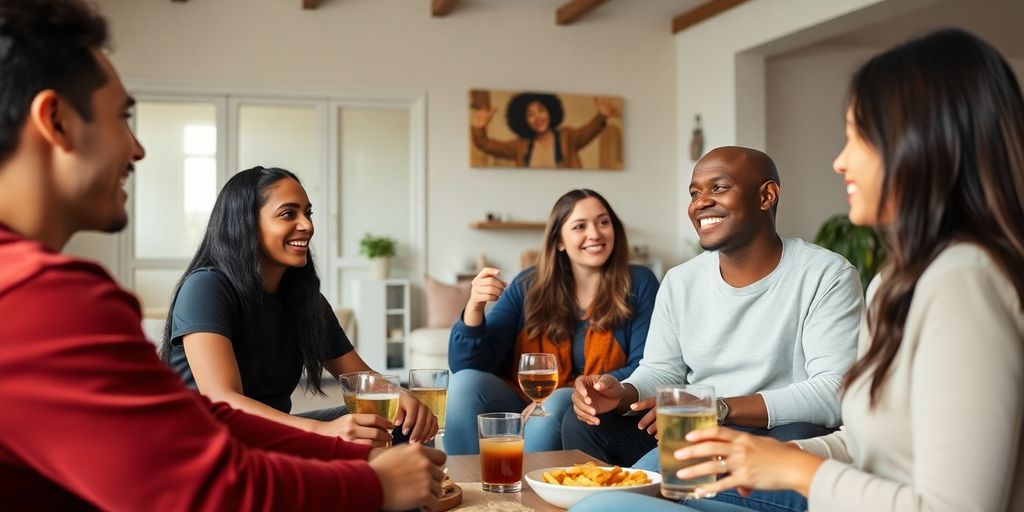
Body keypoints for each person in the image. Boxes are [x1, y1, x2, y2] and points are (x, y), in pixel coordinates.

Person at [0, 1, 444, 510]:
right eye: (123, 117)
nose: (138, 149)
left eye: (308, 212)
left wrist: (364, 435)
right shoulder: (49, 299)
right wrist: (373, 482)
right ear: (55, 120)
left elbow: (195, 417)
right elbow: (206, 469)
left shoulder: (302, 295)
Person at [572, 28, 1024, 512]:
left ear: (928, 144)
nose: (839, 161)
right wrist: (761, 457)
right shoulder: (896, 282)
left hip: (814, 469)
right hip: (803, 469)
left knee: (606, 506)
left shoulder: (963, 282)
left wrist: (792, 464)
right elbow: (865, 444)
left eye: (859, 137)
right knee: (600, 477)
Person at [564, 146, 863, 471]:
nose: (700, 203)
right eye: (695, 193)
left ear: (766, 196)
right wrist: (622, 394)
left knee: (802, 435)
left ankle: (646, 493)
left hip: (772, 430)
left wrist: (716, 408)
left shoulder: (826, 275)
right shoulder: (680, 281)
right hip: (695, 426)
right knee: (584, 421)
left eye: (718, 188)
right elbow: (662, 371)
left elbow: (834, 391)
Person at [158, 166, 437, 447]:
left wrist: (399, 397)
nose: (306, 225)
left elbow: (359, 376)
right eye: (288, 214)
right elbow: (224, 402)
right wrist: (320, 430)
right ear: (246, 224)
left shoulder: (304, 298)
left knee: (393, 424)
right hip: (207, 445)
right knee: (353, 436)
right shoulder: (206, 288)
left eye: (308, 213)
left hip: (271, 439)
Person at [445, 189, 659, 455]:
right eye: (580, 226)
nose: (595, 233)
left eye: (603, 222)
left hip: (591, 407)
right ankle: (466, 487)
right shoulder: (528, 284)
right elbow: (467, 366)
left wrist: (575, 390)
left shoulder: (639, 283)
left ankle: (521, 490)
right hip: (520, 400)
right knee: (464, 383)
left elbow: (645, 365)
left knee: (558, 399)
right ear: (559, 240)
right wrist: (475, 306)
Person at [471, 92, 618, 168]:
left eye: (541, 110)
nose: (537, 118)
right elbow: (486, 144)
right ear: (523, 120)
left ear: (550, 112)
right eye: (530, 114)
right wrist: (479, 126)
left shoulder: (567, 136)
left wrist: (602, 115)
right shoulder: (519, 146)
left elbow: (589, 130)